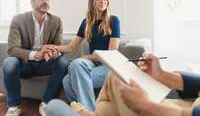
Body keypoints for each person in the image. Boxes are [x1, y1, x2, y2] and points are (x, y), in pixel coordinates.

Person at [46, 53, 200, 116]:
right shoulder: (87, 24)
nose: (101, 2)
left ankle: (89, 111)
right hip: (191, 103)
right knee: (105, 107)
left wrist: (146, 106)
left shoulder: (113, 21)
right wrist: (162, 75)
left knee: (114, 77)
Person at [46, 0, 120, 111]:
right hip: (92, 63)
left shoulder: (113, 20)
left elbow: (111, 53)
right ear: (92, 2)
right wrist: (53, 47)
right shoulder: (86, 22)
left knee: (67, 81)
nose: (103, 1)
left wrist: (87, 57)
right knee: (74, 67)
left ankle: (87, 111)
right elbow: (70, 47)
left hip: (108, 65)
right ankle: (85, 111)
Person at [3, 0, 70, 116]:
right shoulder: (18, 19)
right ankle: (14, 106)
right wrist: (36, 54)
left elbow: (57, 46)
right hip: (24, 64)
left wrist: (52, 52)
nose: (45, 2)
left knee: (63, 62)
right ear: (32, 2)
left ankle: (46, 102)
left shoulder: (56, 21)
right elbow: (12, 48)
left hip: (45, 63)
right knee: (9, 63)